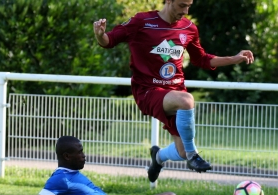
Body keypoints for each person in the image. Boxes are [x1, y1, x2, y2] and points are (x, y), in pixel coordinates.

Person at [93, 0, 255, 183]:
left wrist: (233, 59)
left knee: (181, 151)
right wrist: (100, 35)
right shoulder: (142, 21)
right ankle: (194, 155)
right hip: (148, 91)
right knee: (186, 101)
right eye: (181, 5)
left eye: (189, 6)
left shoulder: (189, 28)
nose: (185, 11)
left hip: (175, 92)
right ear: (168, 1)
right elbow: (109, 40)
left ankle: (159, 157)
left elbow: (201, 59)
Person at [8, 136, 265, 195]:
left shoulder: (68, 176)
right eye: (80, 152)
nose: (84, 155)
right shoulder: (60, 178)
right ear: (66, 156)